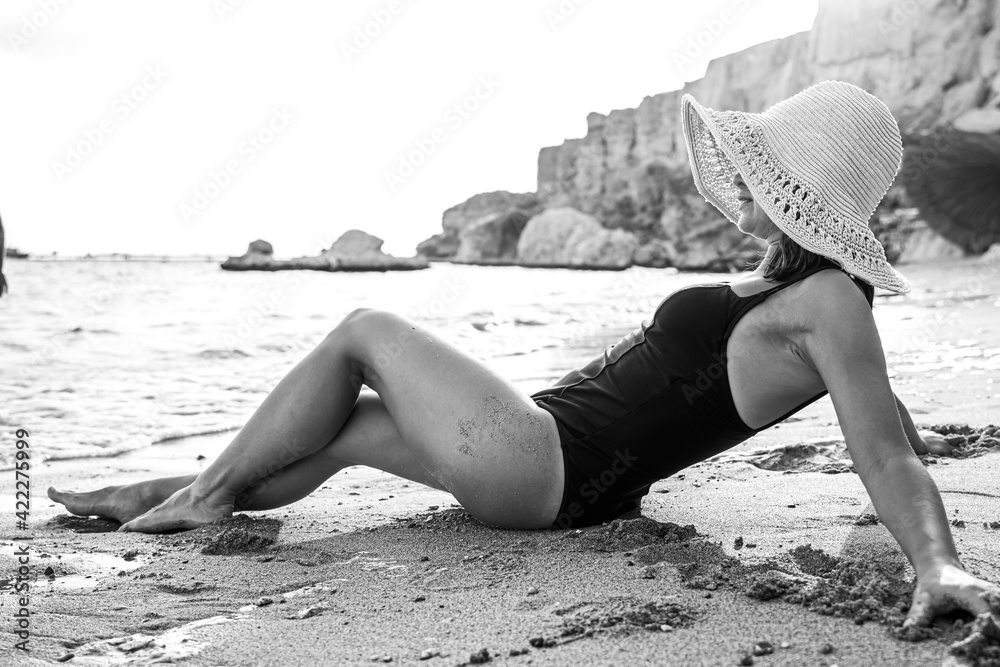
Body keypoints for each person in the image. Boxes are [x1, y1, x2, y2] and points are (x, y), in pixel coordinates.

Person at [49, 81, 998, 628]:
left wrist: (937, 558)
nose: (744, 181)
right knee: (340, 432)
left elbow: (885, 445)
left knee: (366, 330)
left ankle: (200, 498)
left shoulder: (830, 297)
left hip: (548, 464)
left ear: (796, 187)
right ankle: (170, 491)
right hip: (565, 467)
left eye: (761, 169)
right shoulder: (808, 293)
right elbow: (892, 416)